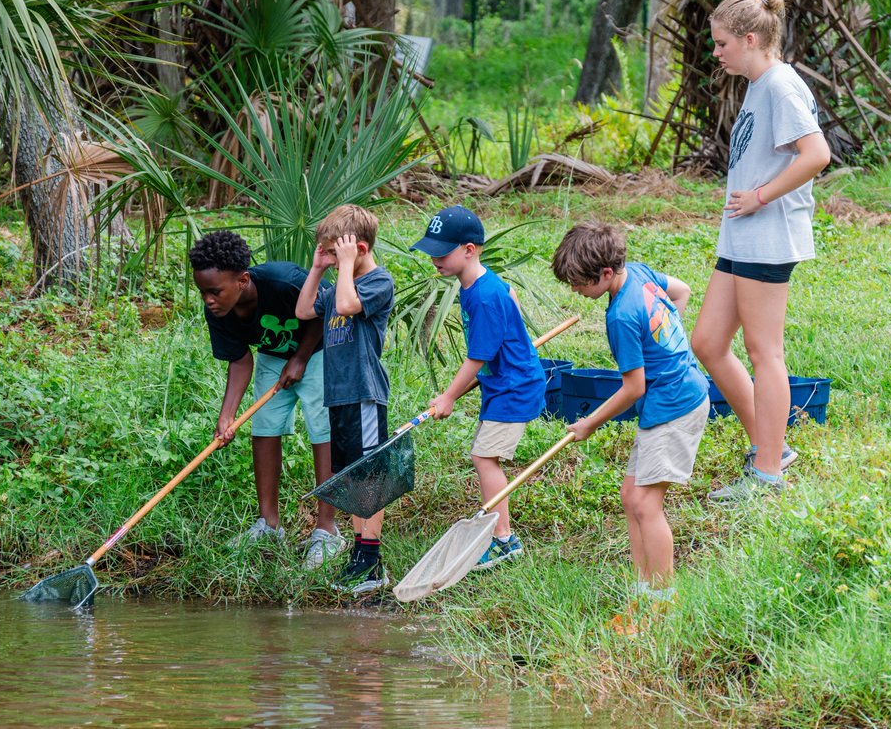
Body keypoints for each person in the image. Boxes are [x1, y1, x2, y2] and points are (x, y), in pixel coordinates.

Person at [692, 0, 831, 502]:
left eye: (721, 43)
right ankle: (773, 444)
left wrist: (760, 197)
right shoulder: (758, 82)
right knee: (707, 342)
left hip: (768, 238)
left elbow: (817, 153)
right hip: (742, 237)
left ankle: (768, 472)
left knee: (764, 352)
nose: (716, 52)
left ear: (750, 39)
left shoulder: (779, 87)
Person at [552, 221, 708, 630]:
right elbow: (682, 291)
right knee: (630, 496)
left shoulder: (621, 316)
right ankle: (644, 594)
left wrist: (589, 424)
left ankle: (661, 603)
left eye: (578, 283)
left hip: (674, 405)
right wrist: (667, 345)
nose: (575, 291)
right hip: (673, 396)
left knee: (645, 504)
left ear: (605, 274)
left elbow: (633, 387)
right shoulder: (636, 272)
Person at [190, 231, 345, 569]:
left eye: (215, 291)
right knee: (264, 428)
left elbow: (325, 311)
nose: (209, 300)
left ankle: (327, 529)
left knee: (323, 430)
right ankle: (270, 524)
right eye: (203, 292)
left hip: (319, 352)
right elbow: (241, 360)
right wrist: (227, 416)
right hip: (274, 357)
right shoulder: (219, 313)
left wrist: (302, 357)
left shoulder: (283, 281)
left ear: (243, 280)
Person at [412, 205, 546, 568]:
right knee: (483, 455)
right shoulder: (477, 285)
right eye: (432, 251)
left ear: (469, 250)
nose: (434, 259)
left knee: (484, 457)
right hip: (502, 382)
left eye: (442, 252)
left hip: (514, 387)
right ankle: (501, 534)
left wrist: (449, 396)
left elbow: (477, 357)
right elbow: (510, 304)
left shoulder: (484, 295)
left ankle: (504, 539)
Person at [295, 204, 395, 595]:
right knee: (352, 477)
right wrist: (319, 267)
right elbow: (304, 310)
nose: (334, 261)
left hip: (364, 393)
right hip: (339, 396)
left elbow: (346, 307)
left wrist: (348, 264)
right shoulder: (338, 282)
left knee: (368, 476)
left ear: (361, 248)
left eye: (337, 254)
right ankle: (360, 555)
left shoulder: (377, 282)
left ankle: (371, 562)